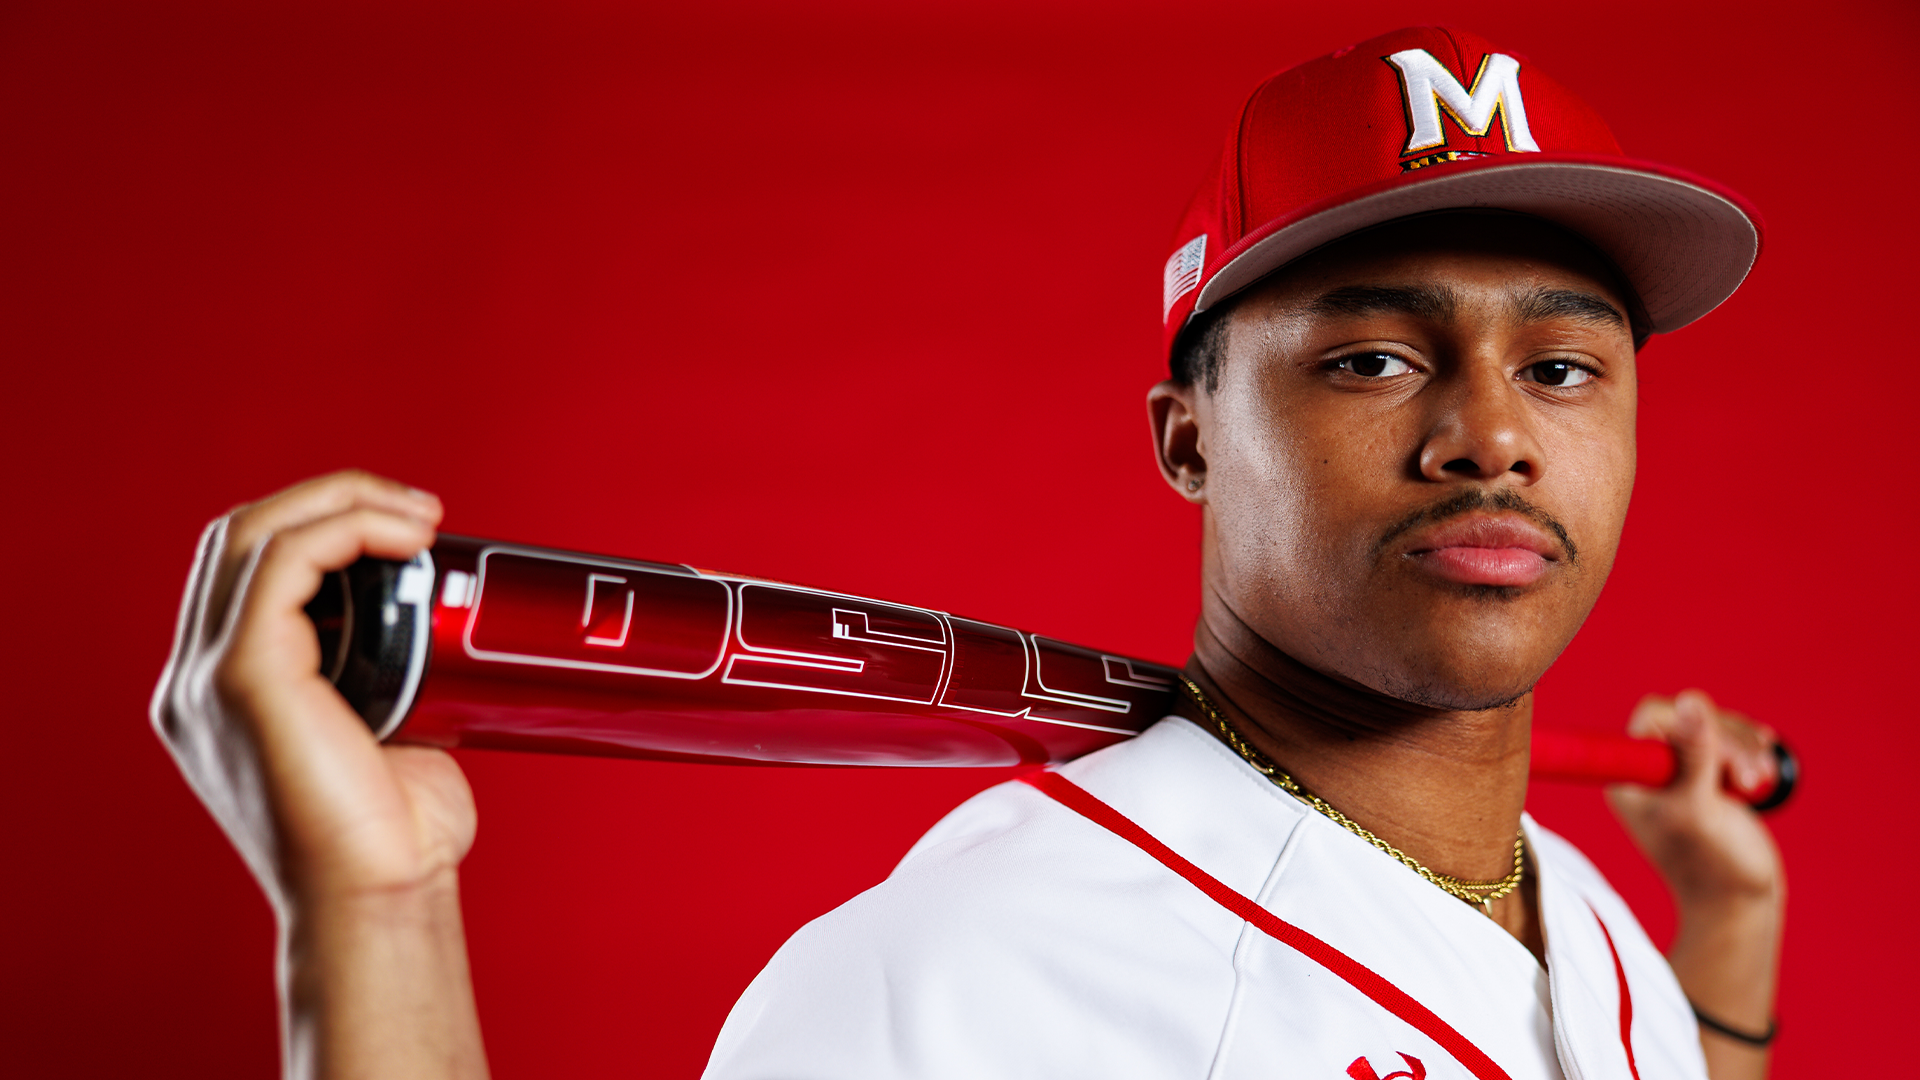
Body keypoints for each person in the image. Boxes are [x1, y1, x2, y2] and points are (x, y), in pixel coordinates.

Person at [153, 25, 1785, 1080]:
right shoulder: (955, 984)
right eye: (1370, 358)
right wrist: (375, 916)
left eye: (1561, 367)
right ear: (1190, 440)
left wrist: (1725, 925)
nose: (1491, 435)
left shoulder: (1586, 921)